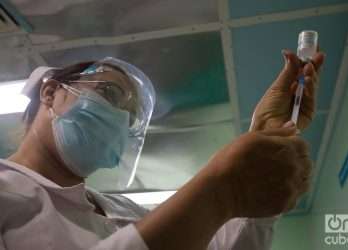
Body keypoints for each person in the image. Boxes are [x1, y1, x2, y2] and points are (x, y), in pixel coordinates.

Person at [0, 50, 324, 250]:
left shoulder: (124, 210)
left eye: (129, 117)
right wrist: (217, 193)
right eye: (110, 93)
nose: (118, 119)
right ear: (51, 92)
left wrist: (265, 138)